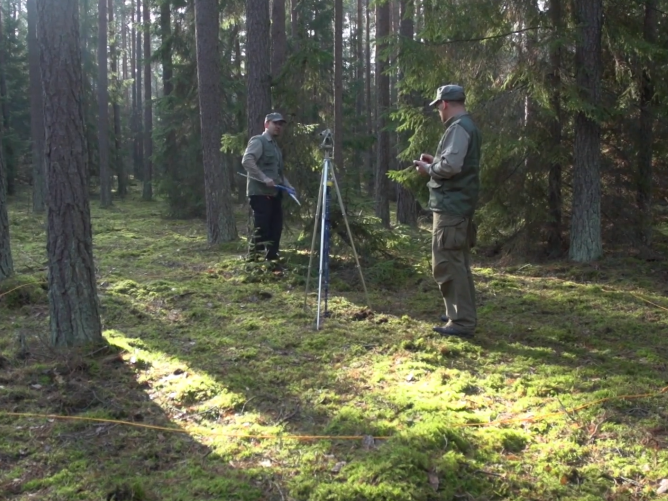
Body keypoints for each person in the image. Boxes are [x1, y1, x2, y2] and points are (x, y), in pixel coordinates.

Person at [413, 85, 481, 339]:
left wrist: (429, 170)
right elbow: (455, 164)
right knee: (457, 262)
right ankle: (459, 313)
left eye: (438, 107)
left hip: (451, 207)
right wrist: (435, 162)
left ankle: (461, 321)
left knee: (447, 264)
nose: (439, 112)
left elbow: (451, 166)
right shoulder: (466, 126)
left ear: (444, 104)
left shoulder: (459, 128)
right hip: (458, 205)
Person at [242, 112, 295, 262]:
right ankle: (254, 262)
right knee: (262, 228)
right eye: (275, 123)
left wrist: (288, 186)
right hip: (260, 194)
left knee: (276, 228)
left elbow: (278, 173)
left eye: (280, 124)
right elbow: (247, 161)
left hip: (275, 194)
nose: (278, 127)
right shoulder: (259, 141)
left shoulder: (275, 147)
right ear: (266, 124)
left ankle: (272, 261)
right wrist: (263, 178)